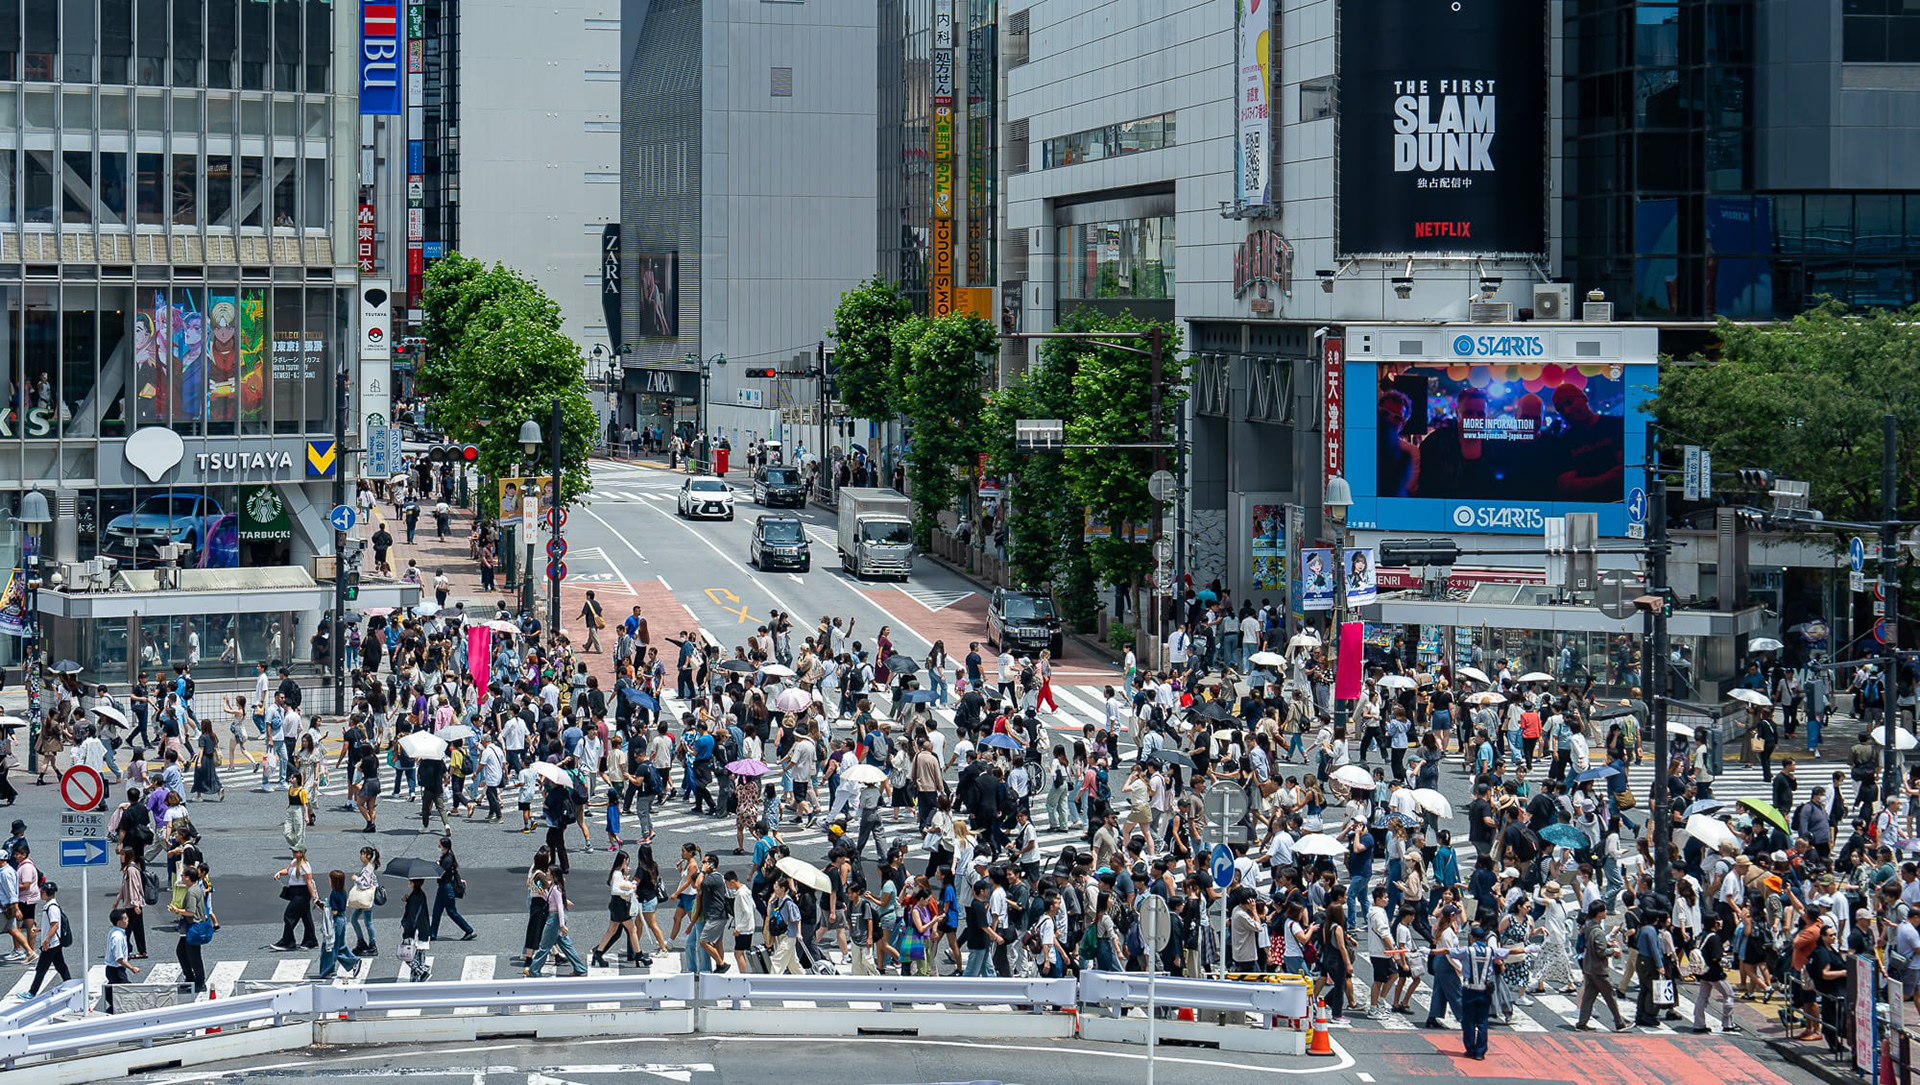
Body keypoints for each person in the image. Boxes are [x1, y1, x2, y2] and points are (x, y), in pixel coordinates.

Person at [1447, 923, 1525, 1060]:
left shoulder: (1467, 951)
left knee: (1469, 1021)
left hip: (1469, 990)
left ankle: (1470, 1049)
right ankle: (1480, 1052)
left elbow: (1447, 951)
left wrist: (1429, 951)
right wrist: (1528, 950)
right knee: (1483, 1022)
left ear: (1472, 937)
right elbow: (1510, 952)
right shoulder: (1491, 951)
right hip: (1485, 991)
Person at [1572, 901, 1628, 1030]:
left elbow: (1595, 945)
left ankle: (1581, 1023)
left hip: (1589, 967)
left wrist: (1606, 944)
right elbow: (1601, 952)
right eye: (1604, 910)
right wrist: (1613, 950)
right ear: (1598, 913)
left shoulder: (1588, 925)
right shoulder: (1598, 931)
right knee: (1610, 996)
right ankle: (1620, 1023)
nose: (1606, 912)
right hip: (1598, 969)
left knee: (1589, 997)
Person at [525, 868, 589, 977]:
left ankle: (534, 970)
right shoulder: (553, 887)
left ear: (553, 874)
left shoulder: (556, 889)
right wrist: (542, 895)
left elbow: (559, 907)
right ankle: (580, 968)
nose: (546, 873)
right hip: (555, 917)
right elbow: (551, 901)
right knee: (566, 945)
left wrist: (562, 925)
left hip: (554, 919)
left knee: (544, 945)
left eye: (548, 872)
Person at [268, 847, 319, 951]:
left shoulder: (305, 866)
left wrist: (314, 897)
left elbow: (309, 882)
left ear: (301, 853)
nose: (293, 853)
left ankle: (288, 942)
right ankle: (311, 941)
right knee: (306, 918)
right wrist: (279, 873)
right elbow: (287, 870)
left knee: (289, 916)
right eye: (293, 851)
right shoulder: (294, 862)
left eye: (295, 851)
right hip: (295, 892)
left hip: (302, 894)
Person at [25, 879, 70, 996]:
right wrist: (40, 930)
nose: (40, 893)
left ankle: (32, 992)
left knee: (41, 969)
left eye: (42, 892)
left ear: (47, 893)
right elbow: (51, 925)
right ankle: (70, 984)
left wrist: (46, 941)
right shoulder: (50, 906)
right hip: (54, 943)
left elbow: (55, 925)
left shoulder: (52, 907)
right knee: (60, 966)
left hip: (51, 944)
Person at [429, 837, 475, 941]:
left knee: (451, 912)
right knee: (436, 911)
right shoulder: (447, 856)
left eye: (440, 845)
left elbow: (441, 872)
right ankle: (432, 934)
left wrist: (437, 865)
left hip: (446, 888)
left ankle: (468, 930)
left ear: (444, 846)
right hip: (442, 888)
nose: (438, 846)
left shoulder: (447, 859)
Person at [104, 906, 140, 1013]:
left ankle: (111, 1009)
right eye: (125, 919)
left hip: (113, 970)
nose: (128, 920)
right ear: (119, 922)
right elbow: (119, 958)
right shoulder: (118, 937)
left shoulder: (115, 932)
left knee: (118, 994)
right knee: (126, 994)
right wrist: (132, 968)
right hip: (116, 970)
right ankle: (111, 1013)